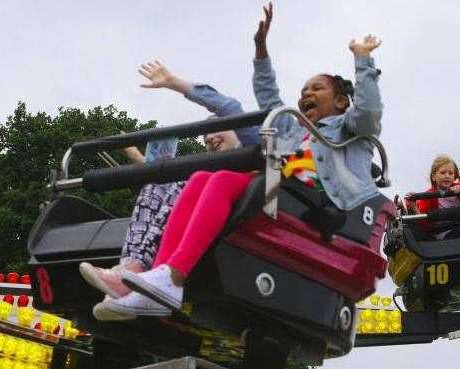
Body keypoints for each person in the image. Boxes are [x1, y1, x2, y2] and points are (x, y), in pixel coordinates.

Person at [94, 2, 384, 319]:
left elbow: (369, 110)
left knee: (221, 178)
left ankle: (170, 276)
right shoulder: (291, 128)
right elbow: (266, 95)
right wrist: (260, 49)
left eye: (317, 88)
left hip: (311, 203)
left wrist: (363, 58)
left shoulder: (349, 131)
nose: (306, 94)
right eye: (303, 90)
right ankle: (162, 280)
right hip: (278, 189)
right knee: (202, 177)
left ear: (341, 101)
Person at [79, 59, 257, 309]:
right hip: (203, 193)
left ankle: (154, 274)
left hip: (243, 205)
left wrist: (174, 82)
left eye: (218, 131)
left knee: (184, 182)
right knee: (156, 184)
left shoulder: (252, 147)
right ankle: (133, 268)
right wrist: (137, 159)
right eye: (205, 137)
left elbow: (232, 109)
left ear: (237, 131)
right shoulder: (207, 171)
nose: (210, 139)